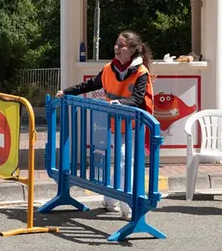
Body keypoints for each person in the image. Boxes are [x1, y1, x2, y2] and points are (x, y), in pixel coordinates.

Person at [56, 30, 154, 219]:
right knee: (119, 161)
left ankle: (127, 206)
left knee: (125, 161)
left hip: (133, 125)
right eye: (116, 44)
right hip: (114, 124)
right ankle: (110, 200)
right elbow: (91, 85)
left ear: (132, 50)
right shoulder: (109, 68)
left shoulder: (141, 72)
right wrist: (67, 91)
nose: (116, 48)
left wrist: (119, 104)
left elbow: (137, 99)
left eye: (121, 45)